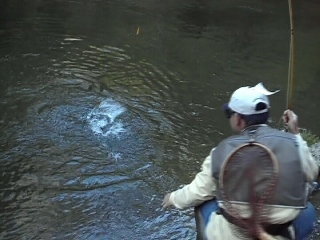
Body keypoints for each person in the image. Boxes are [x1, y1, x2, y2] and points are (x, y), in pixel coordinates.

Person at [162, 83, 319, 240]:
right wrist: (295, 133)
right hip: (281, 234)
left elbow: (197, 191)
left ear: (238, 119)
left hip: (234, 236)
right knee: (309, 211)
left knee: (203, 201)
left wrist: (173, 198)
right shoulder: (294, 144)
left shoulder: (221, 151)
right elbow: (311, 174)